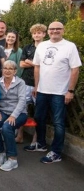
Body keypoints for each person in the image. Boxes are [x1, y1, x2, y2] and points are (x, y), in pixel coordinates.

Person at [32, 21, 81, 163]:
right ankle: (41, 144)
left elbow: (75, 70)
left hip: (60, 92)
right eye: (52, 29)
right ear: (48, 32)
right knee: (38, 118)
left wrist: (70, 91)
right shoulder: (42, 46)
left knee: (58, 123)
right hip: (42, 90)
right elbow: (37, 67)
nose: (54, 31)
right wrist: (36, 87)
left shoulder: (69, 46)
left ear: (63, 30)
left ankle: (56, 152)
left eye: (58, 29)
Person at [0, 60, 28, 171]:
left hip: (19, 113)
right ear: (2, 70)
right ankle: (1, 153)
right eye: (5, 68)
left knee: (7, 127)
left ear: (15, 71)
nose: (7, 70)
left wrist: (13, 115)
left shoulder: (20, 82)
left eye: (10, 69)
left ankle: (12, 159)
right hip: (2, 111)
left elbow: (22, 101)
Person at [18, 24, 47, 147]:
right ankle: (19, 135)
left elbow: (46, 65)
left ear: (44, 34)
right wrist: (36, 64)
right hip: (25, 82)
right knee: (20, 108)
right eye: (34, 33)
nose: (37, 35)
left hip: (40, 84)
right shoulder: (27, 47)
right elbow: (21, 64)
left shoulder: (47, 48)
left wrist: (30, 62)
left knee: (38, 112)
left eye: (39, 33)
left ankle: (35, 138)